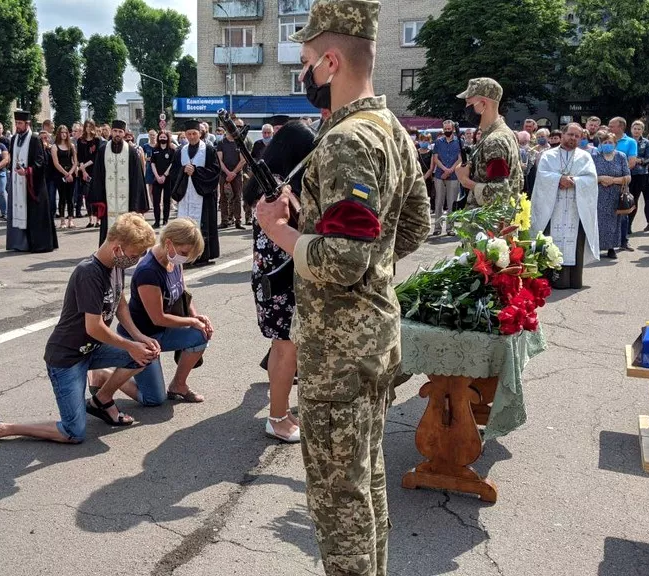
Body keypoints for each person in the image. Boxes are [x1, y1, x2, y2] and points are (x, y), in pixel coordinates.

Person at [255, 1, 432, 572]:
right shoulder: (391, 131)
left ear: (331, 62)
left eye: (305, 61)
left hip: (339, 351)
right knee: (366, 482)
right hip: (373, 341)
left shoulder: (346, 141)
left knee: (338, 503)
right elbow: (414, 225)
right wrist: (322, 227)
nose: (302, 74)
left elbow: (343, 261)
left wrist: (279, 230)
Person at [0, 214, 159, 452]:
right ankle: (2, 428)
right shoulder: (89, 273)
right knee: (73, 432)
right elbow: (93, 327)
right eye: (135, 255)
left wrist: (139, 338)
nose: (136, 261)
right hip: (67, 359)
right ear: (118, 248)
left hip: (93, 350)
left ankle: (101, 399)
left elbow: (119, 302)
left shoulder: (116, 266)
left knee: (146, 353)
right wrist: (130, 346)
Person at [246, 120, 316, 442]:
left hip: (272, 276)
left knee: (283, 347)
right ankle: (276, 417)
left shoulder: (273, 181)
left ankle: (280, 410)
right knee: (286, 349)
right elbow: (293, 227)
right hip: (281, 278)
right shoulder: (277, 187)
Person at [106, 218, 211, 406]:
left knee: (200, 333)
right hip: (141, 337)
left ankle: (178, 385)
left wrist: (196, 317)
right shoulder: (149, 271)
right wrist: (191, 322)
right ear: (169, 242)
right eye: (184, 253)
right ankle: (104, 377)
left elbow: (182, 293)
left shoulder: (173, 259)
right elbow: (158, 318)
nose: (185, 258)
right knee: (154, 399)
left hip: (162, 332)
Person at [531, 123, 599, 289]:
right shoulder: (548, 155)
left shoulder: (585, 157)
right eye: (570, 134)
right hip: (554, 208)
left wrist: (574, 181)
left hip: (576, 209)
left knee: (573, 243)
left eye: (577, 136)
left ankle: (573, 280)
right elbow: (542, 176)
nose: (573, 138)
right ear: (562, 135)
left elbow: (591, 180)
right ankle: (550, 281)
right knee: (551, 240)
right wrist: (558, 179)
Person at [456, 78, 524, 208]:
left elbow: (499, 194)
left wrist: (466, 181)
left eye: (469, 102)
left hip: (489, 225)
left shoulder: (494, 141)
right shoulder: (504, 133)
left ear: (483, 104)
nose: (466, 107)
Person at [89, 120, 149, 246]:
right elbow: (98, 175)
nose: (117, 134)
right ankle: (106, 251)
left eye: (120, 132)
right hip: (108, 200)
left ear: (124, 133)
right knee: (107, 230)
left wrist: (136, 202)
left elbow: (137, 178)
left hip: (126, 203)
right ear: (111, 131)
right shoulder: (103, 150)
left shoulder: (131, 152)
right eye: (115, 131)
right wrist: (99, 199)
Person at [171, 119, 221, 265]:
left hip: (202, 195)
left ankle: (202, 256)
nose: (192, 136)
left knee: (202, 224)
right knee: (184, 225)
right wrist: (183, 170)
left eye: (194, 133)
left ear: (200, 133)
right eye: (189, 134)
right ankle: (184, 255)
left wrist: (197, 171)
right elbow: (173, 173)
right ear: (185, 135)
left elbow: (215, 171)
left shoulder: (209, 150)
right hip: (185, 193)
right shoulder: (180, 151)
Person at [8, 111, 59, 253]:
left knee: (36, 215)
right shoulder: (14, 139)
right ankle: (22, 243)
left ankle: (39, 244)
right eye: (16, 123)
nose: (17, 126)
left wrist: (28, 171)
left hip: (34, 184)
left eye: (20, 123)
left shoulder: (35, 139)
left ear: (27, 124)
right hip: (18, 181)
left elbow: (41, 161)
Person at [592, 132, 632, 258]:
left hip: (616, 194)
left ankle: (611, 247)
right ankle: (596, 247)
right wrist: (601, 178)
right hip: (599, 194)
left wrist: (613, 180)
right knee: (598, 221)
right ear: (601, 144)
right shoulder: (595, 156)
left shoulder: (621, 156)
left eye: (610, 142)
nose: (607, 145)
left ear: (615, 144)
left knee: (614, 222)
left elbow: (627, 177)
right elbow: (589, 176)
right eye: (605, 143)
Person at [431, 119, 461, 234]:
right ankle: (437, 228)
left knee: (451, 203)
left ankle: (450, 228)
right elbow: (435, 158)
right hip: (439, 175)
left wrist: (450, 170)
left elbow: (460, 158)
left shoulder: (459, 141)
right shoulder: (438, 142)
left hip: (453, 176)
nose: (447, 131)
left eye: (449, 129)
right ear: (443, 130)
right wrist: (444, 169)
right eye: (445, 129)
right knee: (439, 202)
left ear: (453, 129)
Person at [216, 124, 247, 230]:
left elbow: (243, 160)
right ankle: (224, 221)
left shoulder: (240, 142)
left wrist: (233, 173)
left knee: (237, 198)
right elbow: (219, 160)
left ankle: (238, 221)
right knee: (223, 198)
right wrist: (228, 173)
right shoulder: (221, 143)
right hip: (224, 174)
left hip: (237, 174)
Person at [51, 125, 79, 230]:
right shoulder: (54, 146)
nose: (64, 134)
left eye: (65, 132)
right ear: (58, 134)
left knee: (70, 198)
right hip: (60, 175)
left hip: (71, 174)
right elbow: (56, 163)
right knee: (62, 197)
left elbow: (75, 161)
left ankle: (71, 220)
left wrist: (71, 173)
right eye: (62, 132)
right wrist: (66, 174)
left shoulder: (71, 146)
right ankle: (62, 220)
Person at [628, 120, 649, 232]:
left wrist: (639, 161)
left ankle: (629, 225)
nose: (637, 131)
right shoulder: (626, 141)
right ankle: (623, 224)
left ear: (643, 130)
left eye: (639, 129)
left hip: (640, 174)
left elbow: (648, 158)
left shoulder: (646, 143)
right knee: (625, 199)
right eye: (635, 128)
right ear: (631, 129)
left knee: (634, 199)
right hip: (627, 173)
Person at [76, 120, 102, 229]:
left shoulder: (97, 140)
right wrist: (83, 170)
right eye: (86, 126)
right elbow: (80, 156)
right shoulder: (80, 140)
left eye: (90, 126)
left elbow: (95, 157)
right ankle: (90, 219)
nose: (87, 128)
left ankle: (98, 220)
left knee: (96, 195)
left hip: (95, 170)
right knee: (87, 195)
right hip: (84, 171)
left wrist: (83, 166)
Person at [150, 130, 176, 228]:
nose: (162, 139)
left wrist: (164, 175)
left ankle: (165, 220)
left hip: (167, 179)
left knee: (166, 201)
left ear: (168, 138)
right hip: (157, 179)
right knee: (156, 201)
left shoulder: (171, 150)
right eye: (161, 137)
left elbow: (172, 164)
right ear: (158, 138)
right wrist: (157, 176)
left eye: (164, 137)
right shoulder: (155, 149)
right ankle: (157, 221)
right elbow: (152, 163)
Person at [417, 133, 436, 211]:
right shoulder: (416, 152)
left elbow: (431, 168)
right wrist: (420, 177)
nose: (424, 142)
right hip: (418, 177)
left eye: (426, 140)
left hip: (428, 177)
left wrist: (424, 178)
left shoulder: (431, 152)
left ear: (429, 141)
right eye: (422, 140)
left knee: (428, 195)